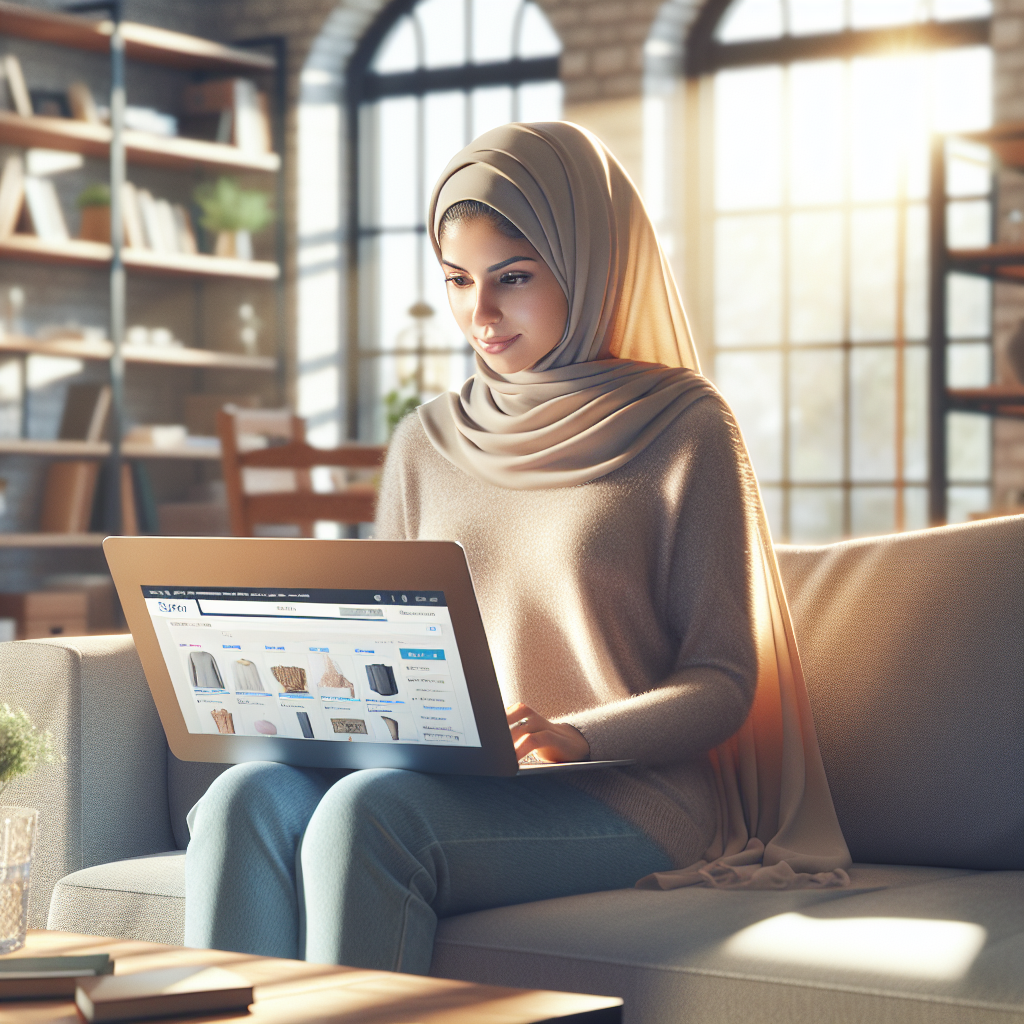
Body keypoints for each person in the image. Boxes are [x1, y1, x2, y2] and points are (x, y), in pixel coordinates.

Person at [184, 122, 851, 975]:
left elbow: (722, 683)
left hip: (630, 791)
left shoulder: (685, 426)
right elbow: (386, 647)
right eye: (458, 281)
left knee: (371, 817)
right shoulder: (425, 440)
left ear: (588, 262)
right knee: (244, 796)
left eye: (513, 278)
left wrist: (574, 732)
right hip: (453, 777)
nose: (480, 313)